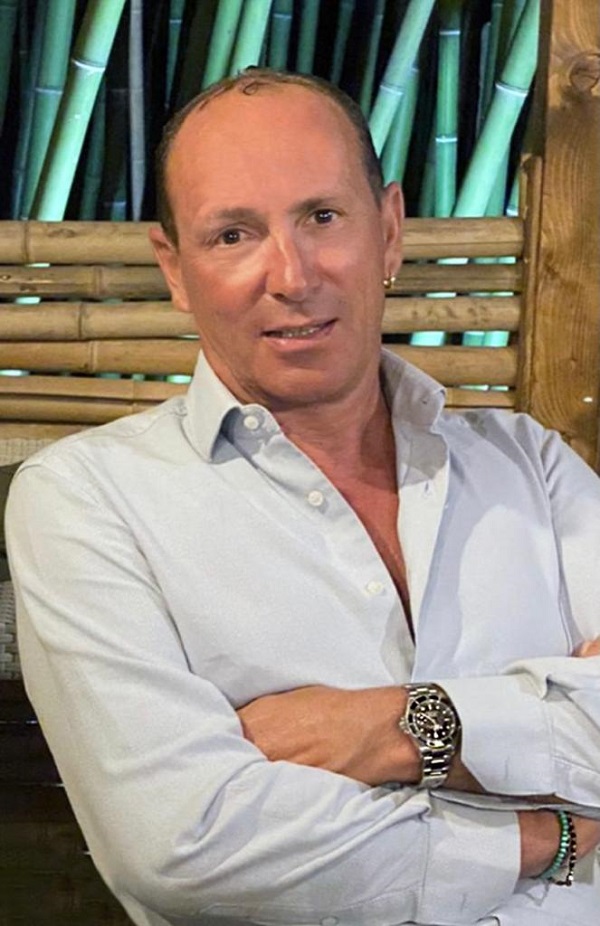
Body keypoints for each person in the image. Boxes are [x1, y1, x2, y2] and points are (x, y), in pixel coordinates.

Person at [7, 68, 600, 926]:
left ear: (388, 232)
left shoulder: (529, 466)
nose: (291, 274)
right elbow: (184, 844)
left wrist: (398, 729)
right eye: (233, 234)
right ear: (175, 270)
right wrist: (549, 834)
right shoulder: (87, 501)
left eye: (322, 217)